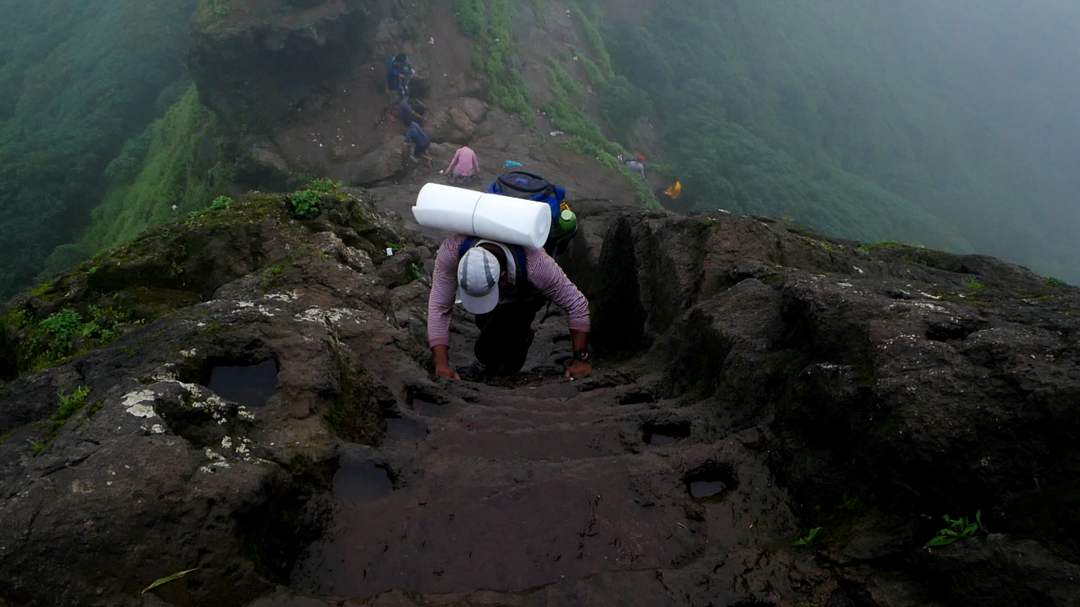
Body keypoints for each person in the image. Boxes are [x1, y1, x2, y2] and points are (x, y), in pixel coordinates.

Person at [428, 236, 592, 380]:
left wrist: (580, 361)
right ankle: (511, 338)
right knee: (483, 323)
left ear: (504, 276)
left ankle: (521, 338)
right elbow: (439, 306)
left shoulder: (536, 265)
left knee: (485, 350)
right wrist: (441, 364)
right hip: (504, 292)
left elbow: (577, 304)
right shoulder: (453, 250)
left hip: (524, 298)